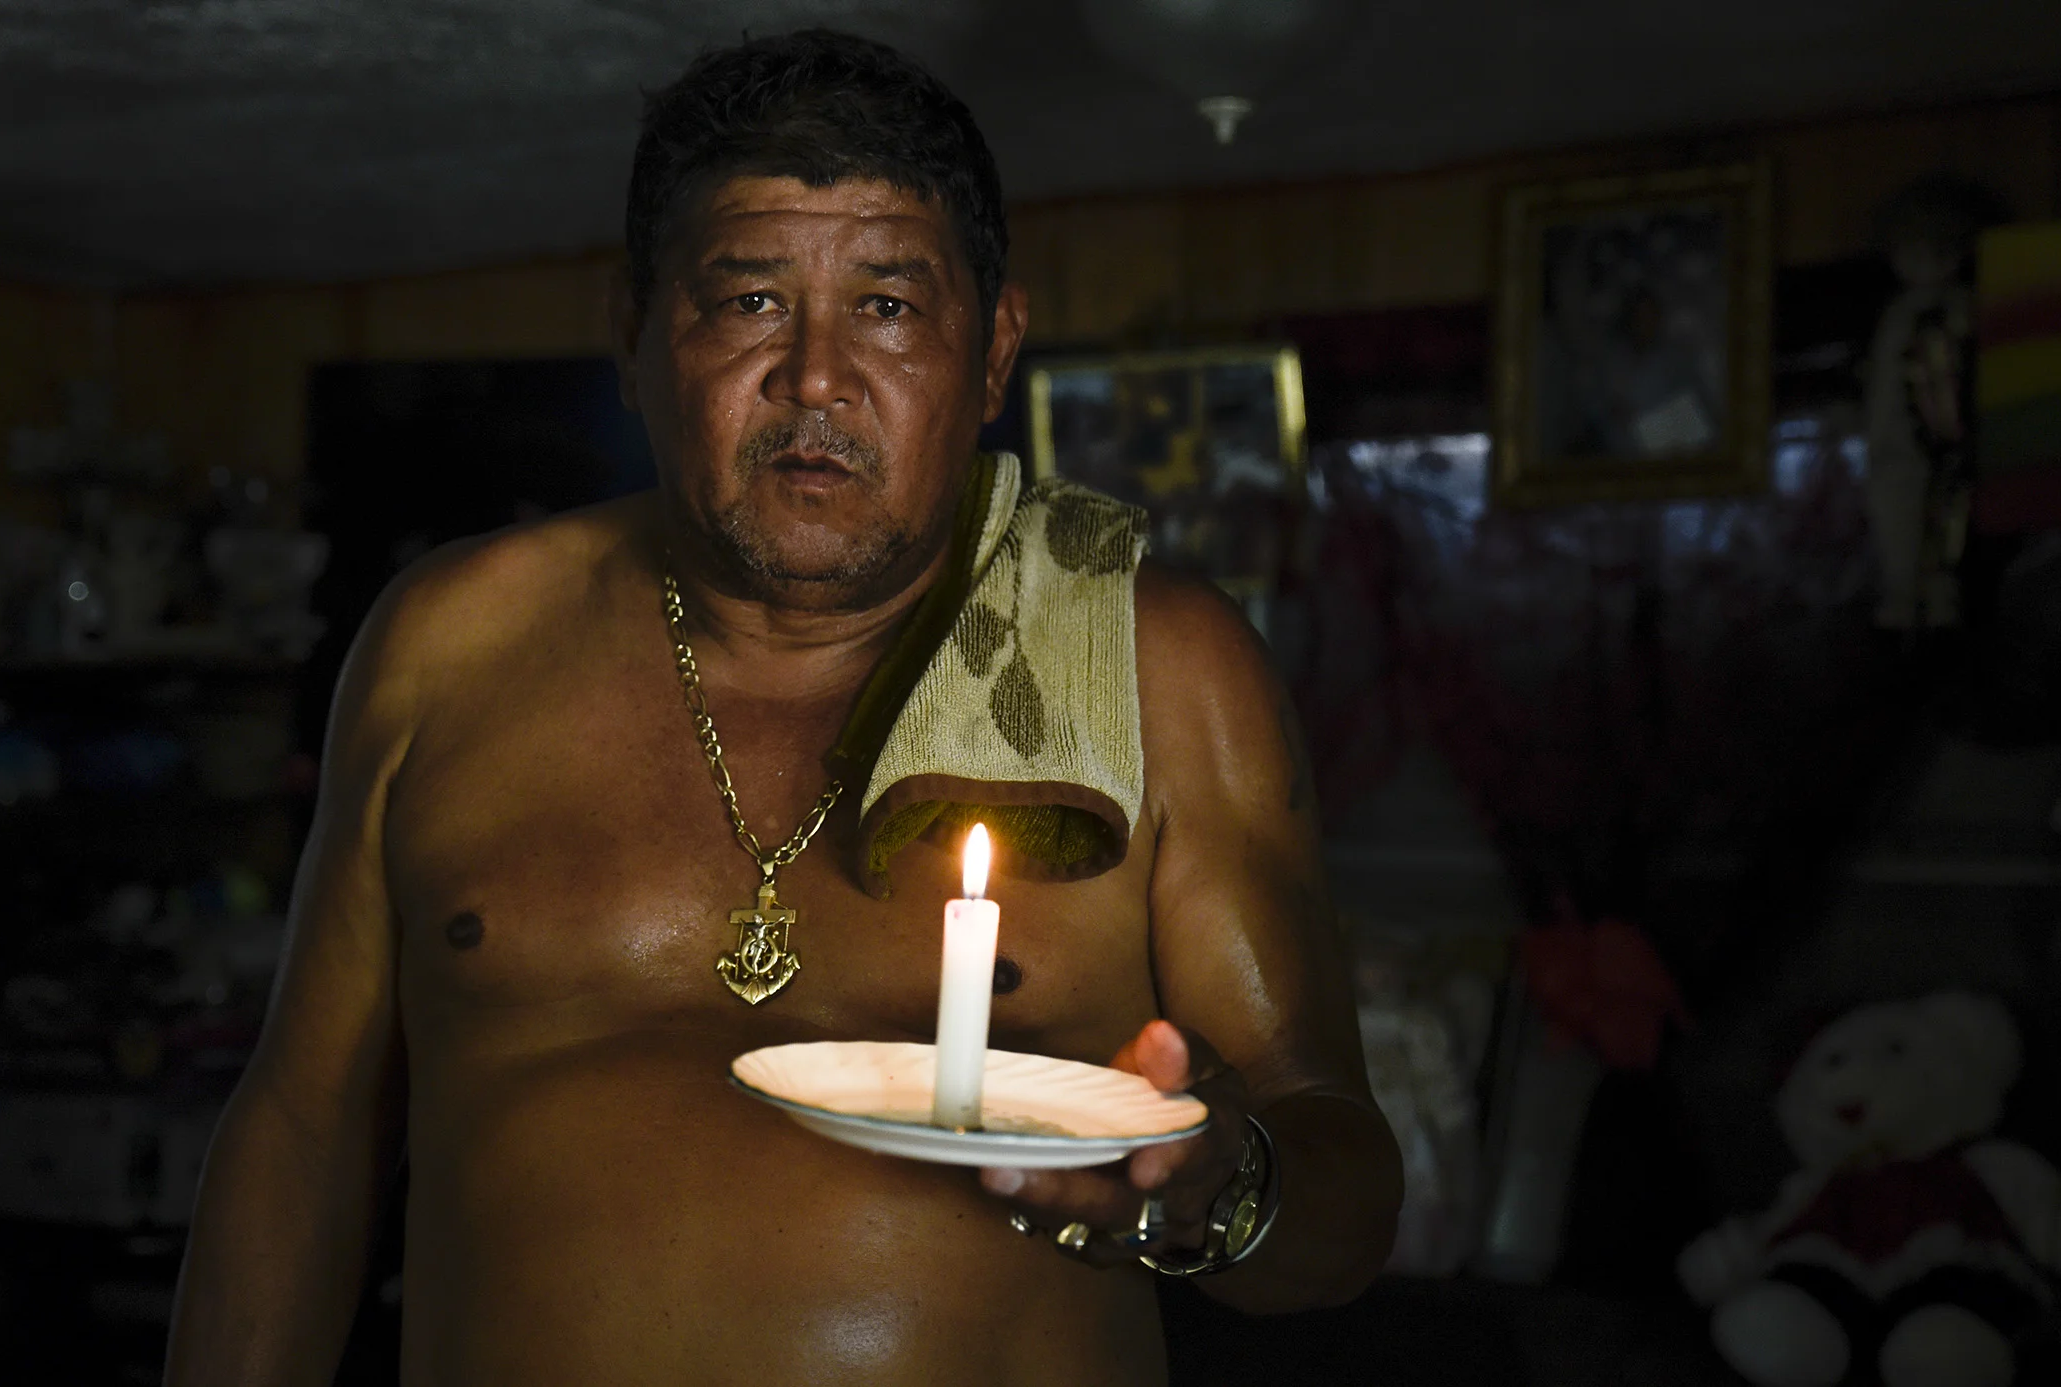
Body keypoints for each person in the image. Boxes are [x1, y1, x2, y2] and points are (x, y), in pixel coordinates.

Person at [165, 29, 1399, 1387]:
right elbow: (302, 1133)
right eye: (750, 300)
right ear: (634, 334)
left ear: (993, 353)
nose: (816, 377)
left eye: (888, 306)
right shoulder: (452, 644)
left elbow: (1341, 1200)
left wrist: (1226, 1186)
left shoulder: (1151, 662)